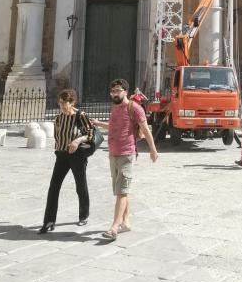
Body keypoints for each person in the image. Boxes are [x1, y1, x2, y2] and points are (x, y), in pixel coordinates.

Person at [92, 78, 158, 240]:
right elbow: (114, 127)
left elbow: (145, 129)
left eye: (118, 91)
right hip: (113, 153)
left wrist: (153, 149)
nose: (114, 94)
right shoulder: (114, 107)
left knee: (122, 191)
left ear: (126, 92)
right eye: (112, 91)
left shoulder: (135, 108)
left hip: (127, 154)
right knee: (121, 191)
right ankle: (126, 223)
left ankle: (114, 226)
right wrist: (99, 123)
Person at [39, 88, 93, 234]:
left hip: (77, 156)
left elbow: (90, 133)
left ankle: (84, 215)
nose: (62, 105)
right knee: (53, 187)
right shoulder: (58, 117)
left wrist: (77, 140)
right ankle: (49, 221)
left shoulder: (80, 115)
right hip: (61, 155)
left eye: (66, 103)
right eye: (61, 102)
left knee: (80, 185)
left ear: (72, 102)